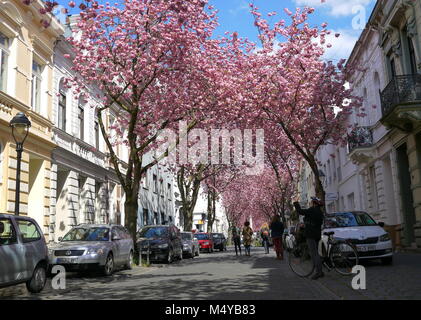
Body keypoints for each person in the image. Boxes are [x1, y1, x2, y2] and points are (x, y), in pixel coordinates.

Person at [293, 197, 325, 280]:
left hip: (311, 235)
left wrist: (296, 202)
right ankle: (318, 270)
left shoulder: (312, 210)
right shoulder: (320, 212)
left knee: (314, 254)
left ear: (314, 203)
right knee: (315, 252)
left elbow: (300, 211)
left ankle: (319, 272)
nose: (310, 203)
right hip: (317, 235)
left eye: (311, 202)